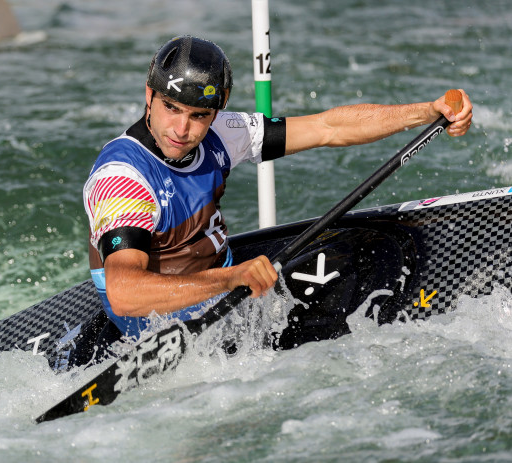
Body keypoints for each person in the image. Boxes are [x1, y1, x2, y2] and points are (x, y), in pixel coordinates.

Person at [82, 35, 473, 340]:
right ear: (149, 96)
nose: (182, 130)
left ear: (215, 112)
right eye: (171, 108)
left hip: (225, 288)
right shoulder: (122, 178)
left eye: (198, 115)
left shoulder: (221, 132)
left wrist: (427, 111)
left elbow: (328, 128)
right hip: (159, 327)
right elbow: (125, 293)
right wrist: (232, 279)